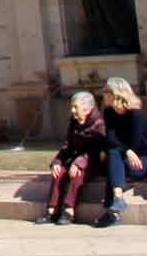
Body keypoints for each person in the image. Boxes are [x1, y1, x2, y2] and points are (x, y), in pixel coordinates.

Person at [95, 76, 147, 227]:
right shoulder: (109, 112)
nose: (103, 94)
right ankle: (118, 199)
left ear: (115, 93)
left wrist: (129, 151)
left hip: (146, 159)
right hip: (125, 159)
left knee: (113, 160)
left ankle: (113, 214)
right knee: (112, 155)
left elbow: (135, 145)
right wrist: (127, 151)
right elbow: (110, 138)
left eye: (105, 91)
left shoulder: (135, 114)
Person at [37, 90, 107, 225]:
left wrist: (79, 163)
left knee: (77, 173)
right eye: (72, 107)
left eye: (75, 107)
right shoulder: (74, 121)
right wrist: (57, 161)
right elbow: (67, 145)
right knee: (59, 172)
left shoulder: (99, 123)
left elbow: (96, 151)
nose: (72, 110)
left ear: (87, 109)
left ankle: (69, 210)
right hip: (76, 159)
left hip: (94, 162)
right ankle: (52, 210)